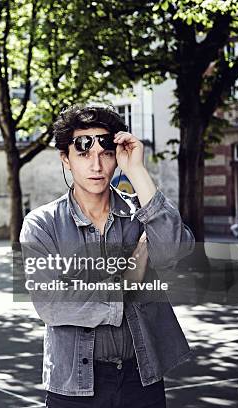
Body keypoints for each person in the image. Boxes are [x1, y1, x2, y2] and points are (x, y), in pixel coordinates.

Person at [19, 105, 195, 407]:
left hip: (141, 378)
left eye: (106, 153)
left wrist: (137, 170)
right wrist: (131, 276)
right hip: (74, 384)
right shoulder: (42, 224)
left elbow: (174, 251)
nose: (97, 166)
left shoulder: (141, 213)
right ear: (66, 158)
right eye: (84, 154)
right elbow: (50, 304)